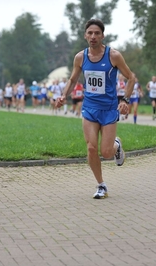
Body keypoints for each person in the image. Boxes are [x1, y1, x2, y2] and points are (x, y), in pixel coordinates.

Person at [55, 18, 135, 199]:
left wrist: (125, 100)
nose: (93, 36)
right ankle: (101, 185)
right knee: (91, 148)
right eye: (90, 33)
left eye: (97, 33)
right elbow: (73, 79)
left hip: (108, 109)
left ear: (102, 36)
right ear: (85, 36)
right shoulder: (80, 57)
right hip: (89, 108)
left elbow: (131, 77)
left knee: (106, 152)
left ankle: (117, 145)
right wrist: (63, 95)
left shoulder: (113, 55)